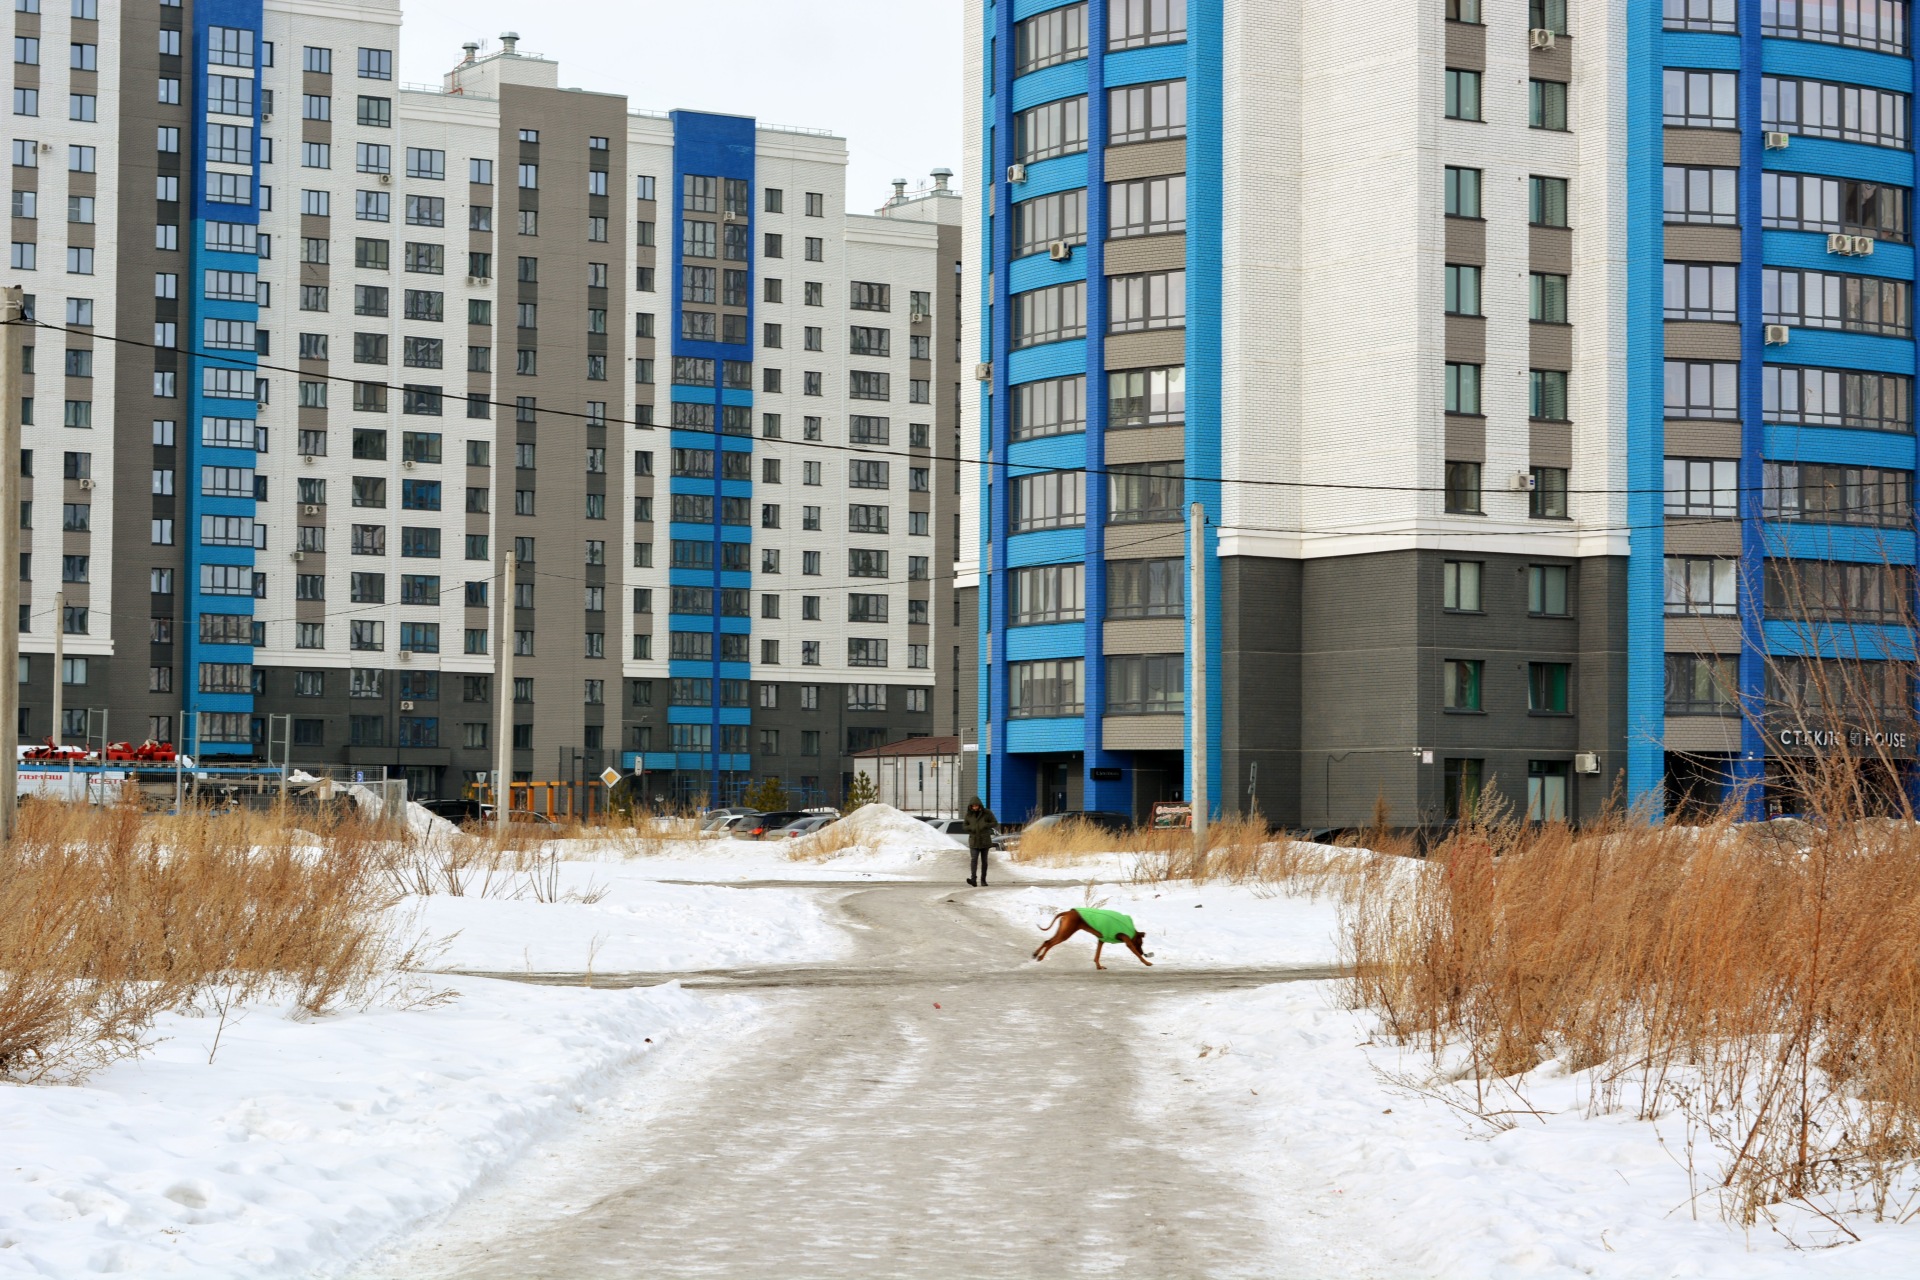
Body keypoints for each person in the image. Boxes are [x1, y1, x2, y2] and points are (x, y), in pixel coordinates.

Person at [963, 796, 998, 887]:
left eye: (976, 806)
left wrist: (986, 825)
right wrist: (971, 828)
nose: (975, 807)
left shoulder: (987, 813)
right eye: (973, 806)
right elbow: (964, 826)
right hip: (974, 840)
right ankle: (973, 880)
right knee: (974, 860)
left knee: (984, 861)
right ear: (970, 806)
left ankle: (983, 880)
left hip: (984, 840)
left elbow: (995, 822)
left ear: (979, 805)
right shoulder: (968, 815)